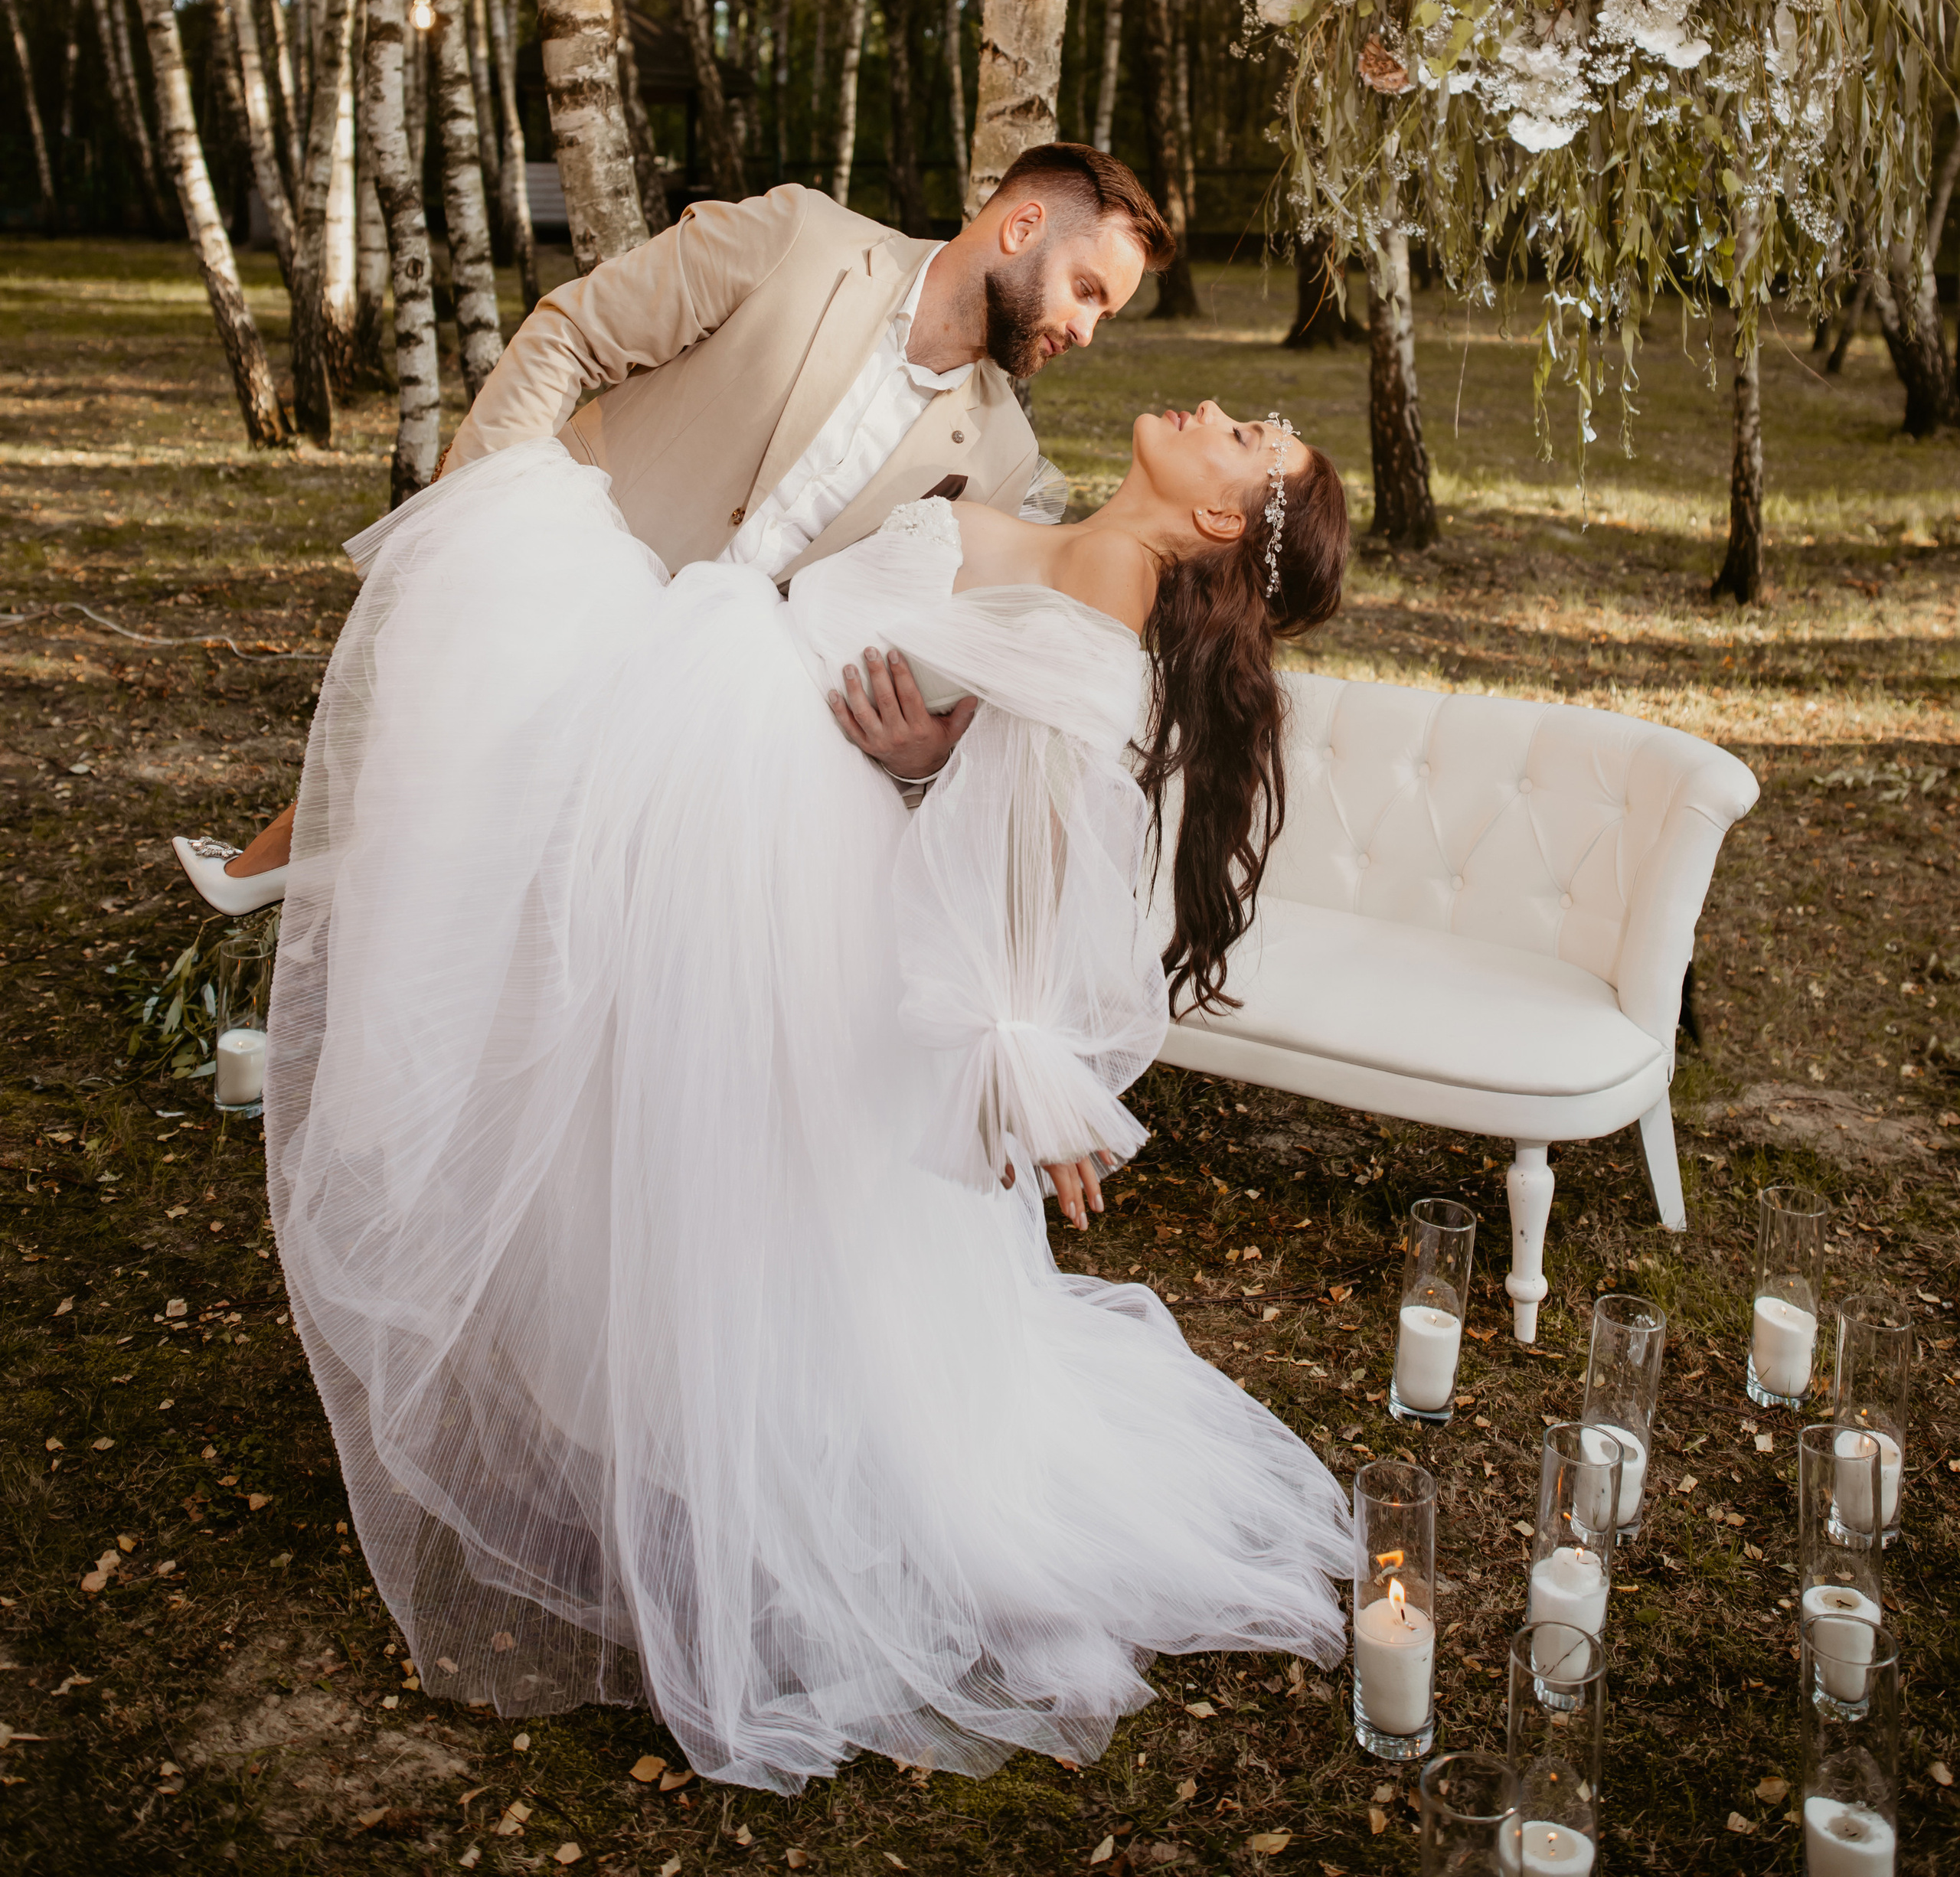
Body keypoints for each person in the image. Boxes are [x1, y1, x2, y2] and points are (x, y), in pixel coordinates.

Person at [263, 383, 1353, 1790]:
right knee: (653, 1145)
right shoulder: (1055, 529)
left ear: (1220, 515)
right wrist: (922, 761)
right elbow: (969, 737)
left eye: (1251, 436)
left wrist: (1023, 1056)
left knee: (729, 1183)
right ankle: (650, 1437)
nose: (1220, 408)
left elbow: (1039, 841)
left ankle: (734, 1493)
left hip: (769, 837)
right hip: (746, 787)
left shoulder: (1102, 587)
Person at [172, 143, 1171, 906]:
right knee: (421, 778)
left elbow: (944, 643)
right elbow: (571, 335)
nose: (1085, 330)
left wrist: (924, 755)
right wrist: (475, 521)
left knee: (516, 880)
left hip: (703, 705)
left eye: (1105, 314)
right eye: (1088, 291)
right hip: (565, 574)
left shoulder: (993, 458)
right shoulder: (801, 239)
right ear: (1022, 223)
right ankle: (277, 903)